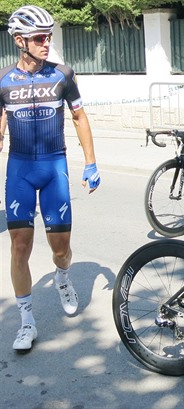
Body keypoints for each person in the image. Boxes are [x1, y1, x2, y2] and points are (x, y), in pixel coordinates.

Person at [0, 5, 101, 351]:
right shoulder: (2, 81)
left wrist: (91, 162)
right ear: (20, 41)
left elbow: (79, 117)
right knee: (19, 246)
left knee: (61, 250)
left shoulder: (63, 75)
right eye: (40, 38)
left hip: (54, 167)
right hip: (20, 170)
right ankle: (26, 321)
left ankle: (62, 276)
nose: (47, 43)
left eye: (49, 37)